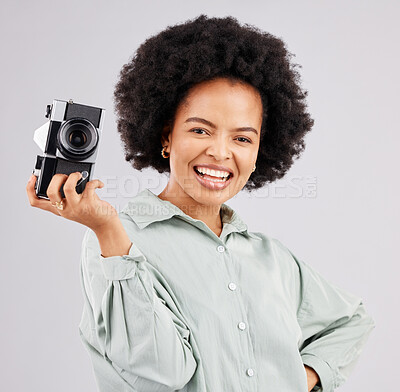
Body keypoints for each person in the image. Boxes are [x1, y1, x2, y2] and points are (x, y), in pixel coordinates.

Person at [26, 14, 375, 392]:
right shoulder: (116, 244)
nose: (220, 152)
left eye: (242, 138)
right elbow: (161, 372)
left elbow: (352, 320)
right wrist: (108, 230)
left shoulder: (271, 258)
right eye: (200, 130)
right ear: (166, 136)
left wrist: (303, 378)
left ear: (261, 151)